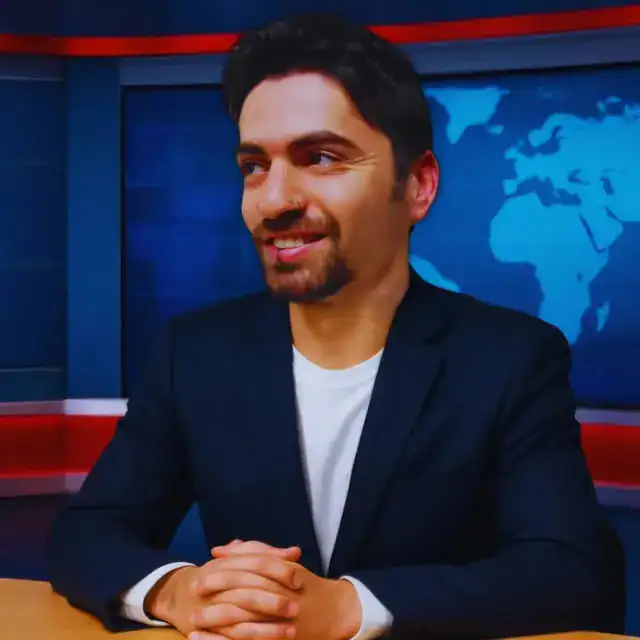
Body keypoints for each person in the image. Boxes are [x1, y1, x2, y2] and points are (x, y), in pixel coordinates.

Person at [47, 13, 622, 640]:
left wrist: (349, 607)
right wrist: (177, 591)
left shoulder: (511, 358)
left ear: (419, 185)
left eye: (320, 158)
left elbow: (566, 569)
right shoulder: (195, 353)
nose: (273, 200)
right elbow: (88, 532)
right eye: (254, 166)